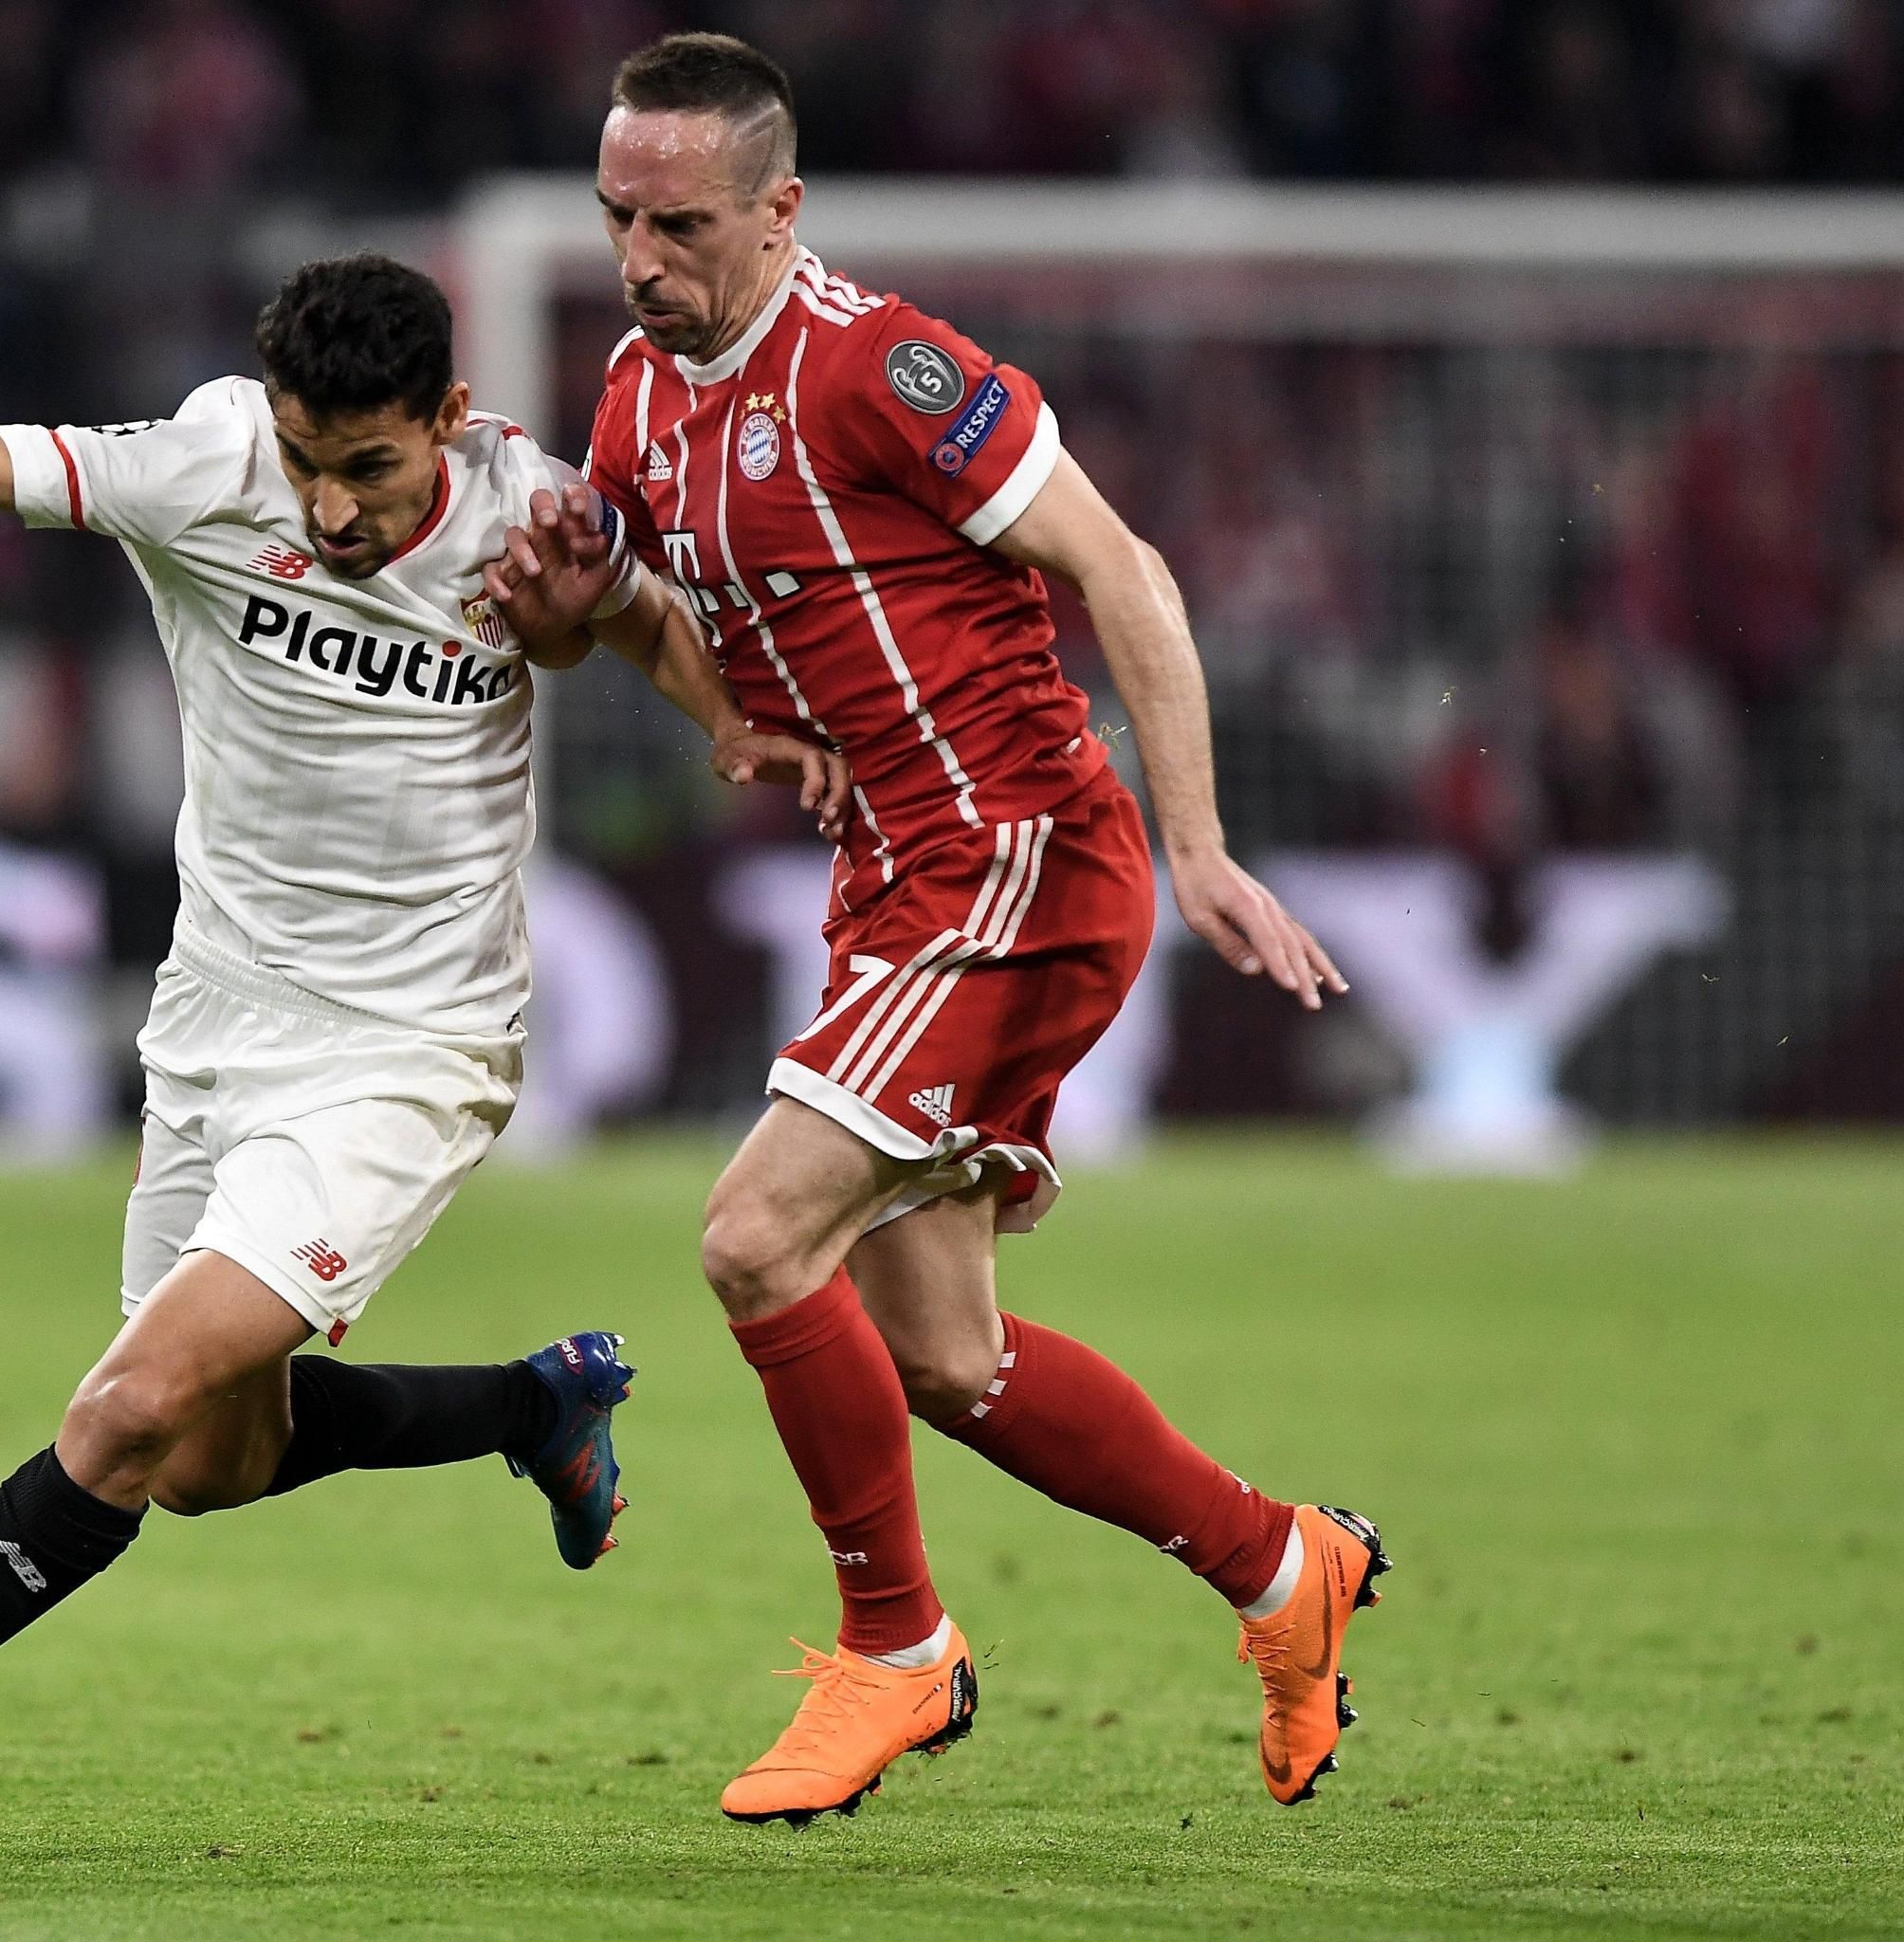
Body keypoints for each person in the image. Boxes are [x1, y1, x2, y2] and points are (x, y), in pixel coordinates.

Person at [0, 251, 847, 1869]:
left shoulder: (525, 506)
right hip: (212, 1027)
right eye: (307, 459)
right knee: (206, 1464)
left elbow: (641, 617)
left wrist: (723, 720)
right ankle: (532, 1402)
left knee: (126, 1412)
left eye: (369, 467)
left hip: (407, 1051)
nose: (330, 508)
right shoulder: (204, 466)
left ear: (451, 417)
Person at [485, 34, 1388, 1825]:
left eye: (679, 226)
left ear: (778, 210)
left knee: (755, 1239)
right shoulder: (638, 398)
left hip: (1016, 859)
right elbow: (648, 623)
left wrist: (1203, 848)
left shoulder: (883, 367)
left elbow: (1124, 568)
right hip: (891, 883)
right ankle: (1285, 1567)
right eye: (616, 221)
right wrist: (584, 621)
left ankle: (897, 1651)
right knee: (945, 1361)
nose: (640, 259)